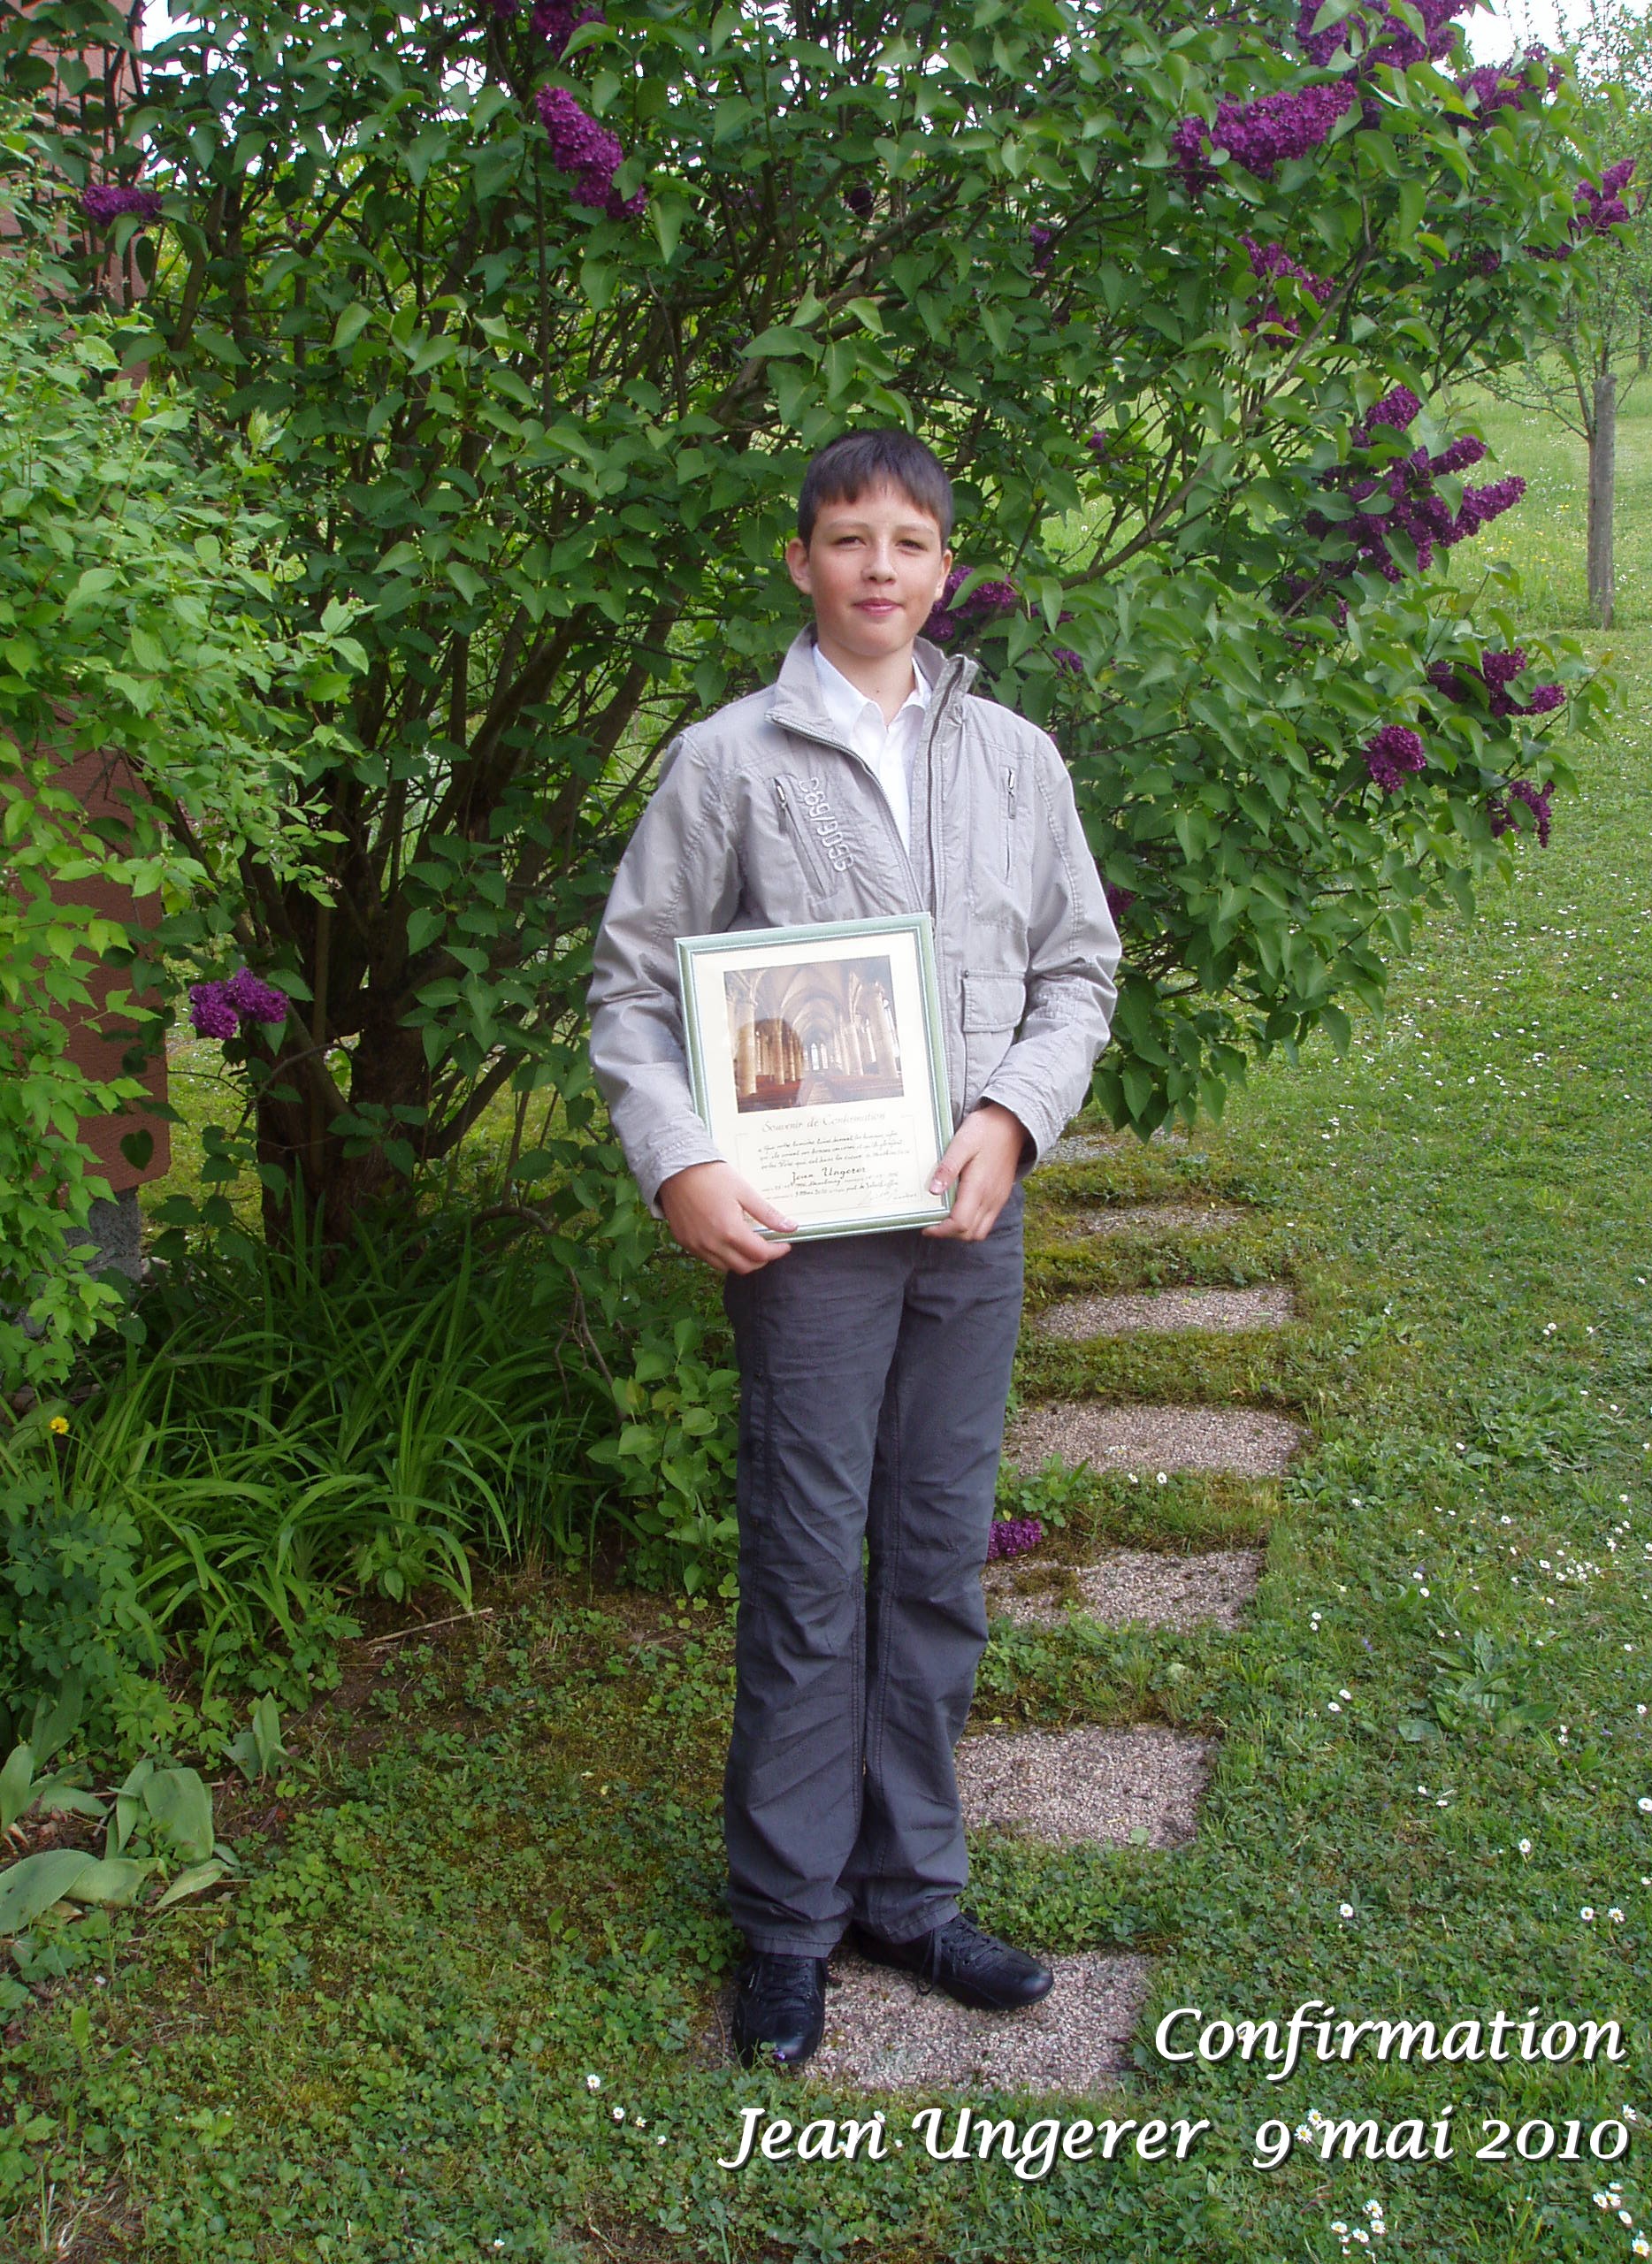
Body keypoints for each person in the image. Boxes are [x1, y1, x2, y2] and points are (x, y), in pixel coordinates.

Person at [587, 429, 1120, 2070]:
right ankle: (787, 1919)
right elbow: (633, 990)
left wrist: (1013, 1119)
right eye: (846, 539)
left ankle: (911, 1891)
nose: (878, 567)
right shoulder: (728, 763)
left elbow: (1078, 972)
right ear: (802, 564)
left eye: (908, 541)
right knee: (812, 1565)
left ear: (947, 569)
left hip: (967, 1215)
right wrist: (681, 1158)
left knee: (939, 1557)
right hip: (808, 1237)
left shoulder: (1017, 760)